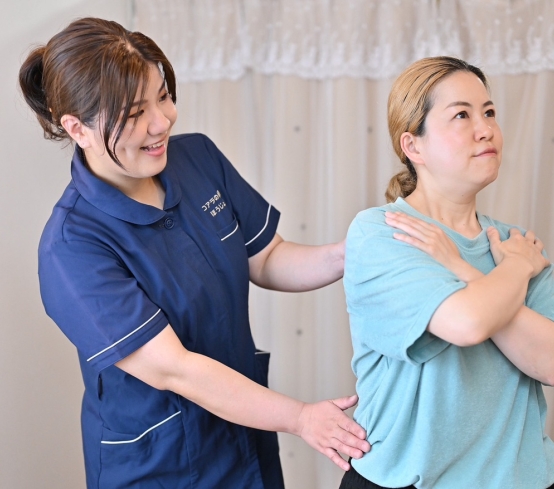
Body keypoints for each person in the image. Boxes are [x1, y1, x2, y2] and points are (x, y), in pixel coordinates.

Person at [18, 17, 371, 489]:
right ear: (77, 128)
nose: (162, 121)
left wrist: (354, 253)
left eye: (163, 96)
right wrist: (302, 417)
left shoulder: (197, 158)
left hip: (244, 438)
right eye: (135, 113)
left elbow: (267, 258)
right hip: (160, 467)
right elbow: (176, 370)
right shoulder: (72, 247)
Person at [341, 56, 554, 489]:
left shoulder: (514, 242)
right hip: (405, 482)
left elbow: (549, 363)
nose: (485, 129)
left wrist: (465, 268)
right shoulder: (384, 232)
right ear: (413, 146)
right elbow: (466, 322)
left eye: (489, 112)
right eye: (462, 115)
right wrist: (514, 269)